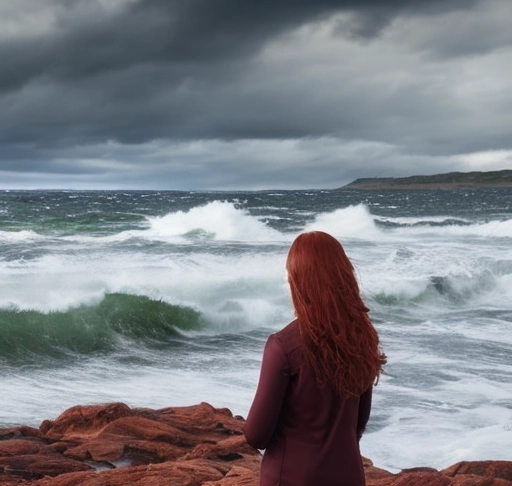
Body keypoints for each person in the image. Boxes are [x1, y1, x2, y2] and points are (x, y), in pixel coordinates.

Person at [244, 231, 386, 486]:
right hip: (349, 477)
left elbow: (256, 435)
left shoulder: (283, 347)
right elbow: (358, 424)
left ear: (299, 281)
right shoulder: (362, 338)